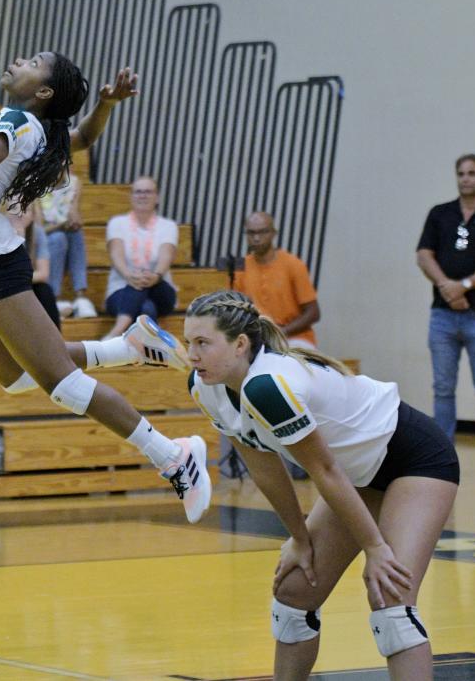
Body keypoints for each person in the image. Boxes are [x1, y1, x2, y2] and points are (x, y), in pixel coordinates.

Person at [0, 53, 211, 523]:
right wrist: (106, 103)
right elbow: (83, 138)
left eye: (33, 62)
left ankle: (173, 454)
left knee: (63, 385)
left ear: (42, 92)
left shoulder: (18, 122)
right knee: (15, 377)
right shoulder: (39, 128)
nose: (18, 61)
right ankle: (126, 347)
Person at [182, 290, 458, 680]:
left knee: (391, 601)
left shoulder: (268, 386)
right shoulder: (205, 386)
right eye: (188, 343)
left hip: (412, 458)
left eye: (203, 343)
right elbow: (266, 470)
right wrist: (299, 537)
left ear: (240, 344)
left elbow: (324, 471)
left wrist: (375, 548)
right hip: (356, 474)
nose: (191, 355)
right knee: (294, 594)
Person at [416, 154, 475, 482]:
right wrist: (447, 286)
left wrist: (465, 286)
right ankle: (441, 455)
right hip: (442, 316)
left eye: (472, 173)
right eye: (461, 173)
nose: (466, 179)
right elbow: (423, 254)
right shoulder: (439, 214)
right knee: (443, 388)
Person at [102, 176, 178, 339]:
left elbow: (166, 255)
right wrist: (129, 276)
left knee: (142, 283)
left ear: (157, 197)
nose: (142, 196)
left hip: (160, 288)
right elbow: (116, 254)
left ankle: (116, 331)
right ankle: (152, 354)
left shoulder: (168, 226)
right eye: (138, 192)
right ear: (131, 197)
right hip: (120, 290)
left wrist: (155, 275)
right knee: (147, 309)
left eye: (148, 192)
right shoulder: (117, 223)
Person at [232, 211, 320, 349]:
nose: (256, 238)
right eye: (251, 233)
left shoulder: (293, 264)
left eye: (262, 232)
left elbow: (313, 313)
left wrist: (280, 332)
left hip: (294, 338)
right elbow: (235, 309)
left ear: (273, 233)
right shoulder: (240, 266)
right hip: (257, 339)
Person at [39, 174, 96, 318]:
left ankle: (80, 297)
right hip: (39, 242)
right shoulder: (34, 184)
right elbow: (38, 230)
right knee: (58, 237)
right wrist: (62, 225)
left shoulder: (75, 182)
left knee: (75, 232)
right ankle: (53, 297)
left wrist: (74, 219)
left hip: (64, 238)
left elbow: (75, 215)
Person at [8, 205, 61, 328]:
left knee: (44, 291)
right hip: (4, 286)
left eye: (26, 209)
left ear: (33, 216)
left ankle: (56, 343)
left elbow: (43, 274)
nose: (20, 213)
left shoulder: (37, 232)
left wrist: (18, 279)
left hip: (25, 283)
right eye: (15, 208)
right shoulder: (0, 233)